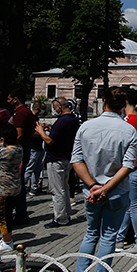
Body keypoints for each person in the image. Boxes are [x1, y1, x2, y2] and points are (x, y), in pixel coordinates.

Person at [71, 87, 137, 272]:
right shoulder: (128, 130)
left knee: (91, 232)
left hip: (91, 192)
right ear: (124, 105)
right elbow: (127, 166)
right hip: (116, 191)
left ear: (104, 102)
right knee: (108, 236)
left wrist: (93, 185)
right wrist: (106, 188)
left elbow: (76, 160)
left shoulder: (86, 127)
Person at [113, 90, 137, 254]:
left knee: (133, 206)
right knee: (130, 205)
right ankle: (120, 239)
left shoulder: (127, 121)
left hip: (132, 166)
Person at [35, 97, 81, 228]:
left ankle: (60, 217)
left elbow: (49, 141)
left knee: (57, 190)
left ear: (59, 107)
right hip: (67, 157)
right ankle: (66, 212)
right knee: (65, 187)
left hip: (56, 158)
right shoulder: (73, 119)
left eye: (55, 107)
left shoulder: (62, 121)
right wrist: (50, 129)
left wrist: (41, 131)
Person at [7, 89, 35, 225]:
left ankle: (21, 214)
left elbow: (19, 134)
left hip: (20, 150)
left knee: (18, 181)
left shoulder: (20, 113)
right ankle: (21, 213)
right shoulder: (26, 112)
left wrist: (11, 149)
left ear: (16, 99)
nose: (8, 101)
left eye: (10, 99)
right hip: (24, 148)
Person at [0, 125, 23, 256]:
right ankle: (6, 238)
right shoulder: (19, 149)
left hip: (2, 189)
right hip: (13, 186)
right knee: (7, 213)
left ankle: (7, 241)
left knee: (3, 215)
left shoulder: (3, 152)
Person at [25, 101, 45, 196]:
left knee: (38, 168)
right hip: (33, 146)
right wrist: (42, 133)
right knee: (30, 168)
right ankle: (24, 186)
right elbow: (31, 132)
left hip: (38, 147)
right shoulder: (30, 118)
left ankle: (34, 187)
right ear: (38, 108)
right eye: (42, 108)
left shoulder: (36, 118)